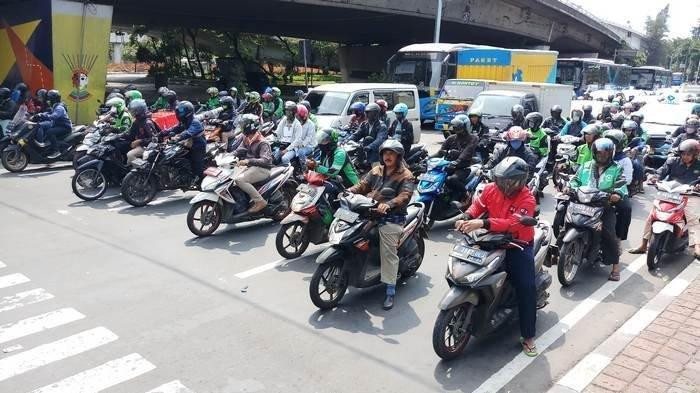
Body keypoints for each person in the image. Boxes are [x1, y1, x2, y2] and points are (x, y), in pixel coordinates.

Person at [455, 156, 539, 356]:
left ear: (520, 181)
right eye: (501, 179)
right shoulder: (491, 188)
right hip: (490, 239)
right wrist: (467, 216)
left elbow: (513, 223)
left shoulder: (527, 198)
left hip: (517, 244)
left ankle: (528, 336)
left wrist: (482, 223)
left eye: (509, 181)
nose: (504, 184)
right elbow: (478, 206)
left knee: (526, 287)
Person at [347, 139, 415, 310]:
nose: (388, 156)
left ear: (398, 156)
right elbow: (363, 185)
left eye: (391, 153)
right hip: (369, 212)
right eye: (385, 153)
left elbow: (405, 196)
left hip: (391, 217)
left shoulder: (406, 175)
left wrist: (389, 204)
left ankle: (390, 290)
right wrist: (350, 191)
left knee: (388, 252)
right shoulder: (376, 169)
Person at [567, 138, 627, 281]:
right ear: (594, 153)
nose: (602, 156)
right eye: (599, 153)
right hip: (582, 201)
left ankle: (615, 267)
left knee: (608, 232)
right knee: (564, 217)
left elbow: (621, 184)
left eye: (605, 153)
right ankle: (560, 251)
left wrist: (617, 194)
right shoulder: (586, 165)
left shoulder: (616, 168)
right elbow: (575, 180)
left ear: (611, 154)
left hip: (603, 205)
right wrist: (570, 187)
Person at [629, 139, 700, 257]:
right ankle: (643, 245)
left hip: (691, 195)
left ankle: (697, 246)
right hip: (670, 193)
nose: (685, 156)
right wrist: (655, 177)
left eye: (689, 154)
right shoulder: (672, 161)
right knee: (652, 215)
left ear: (695, 155)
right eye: (683, 154)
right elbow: (661, 171)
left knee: (692, 218)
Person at [234, 113, 274, 213]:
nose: (241, 127)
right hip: (249, 167)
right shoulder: (246, 138)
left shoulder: (263, 142)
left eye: (243, 125)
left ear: (250, 126)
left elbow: (265, 160)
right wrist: (228, 156)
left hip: (262, 169)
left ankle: (260, 201)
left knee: (240, 180)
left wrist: (248, 161)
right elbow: (240, 150)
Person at [162, 101, 206, 187]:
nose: (179, 113)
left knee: (196, 162)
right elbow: (174, 129)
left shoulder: (195, 121)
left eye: (181, 112)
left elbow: (189, 132)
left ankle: (197, 178)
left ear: (188, 112)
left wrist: (178, 137)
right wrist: (162, 133)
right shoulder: (184, 122)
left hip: (197, 145)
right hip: (187, 144)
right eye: (178, 111)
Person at [433, 117, 478, 198]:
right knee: (434, 178)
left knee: (451, 179)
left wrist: (458, 161)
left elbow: (467, 152)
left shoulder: (473, 138)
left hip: (463, 168)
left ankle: (466, 194)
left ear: (465, 126)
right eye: (454, 127)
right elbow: (440, 152)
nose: (455, 129)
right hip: (448, 166)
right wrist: (428, 158)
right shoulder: (451, 138)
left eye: (458, 127)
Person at [34, 90, 73, 159]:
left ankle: (56, 151)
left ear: (53, 99)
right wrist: (40, 114)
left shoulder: (59, 108)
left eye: (49, 99)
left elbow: (54, 116)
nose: (48, 101)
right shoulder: (55, 106)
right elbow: (49, 113)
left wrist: (43, 116)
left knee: (50, 132)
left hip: (65, 127)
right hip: (58, 125)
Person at [351, 103, 388, 167]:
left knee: (376, 170)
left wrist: (370, 146)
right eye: (366, 112)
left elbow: (380, 140)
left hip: (377, 152)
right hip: (365, 150)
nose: (367, 115)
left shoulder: (382, 126)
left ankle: (378, 175)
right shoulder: (364, 124)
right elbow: (357, 134)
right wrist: (347, 140)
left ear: (376, 114)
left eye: (369, 112)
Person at [124, 99, 158, 164]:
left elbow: (154, 139)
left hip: (148, 146)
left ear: (137, 111)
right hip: (139, 144)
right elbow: (130, 134)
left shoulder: (147, 123)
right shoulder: (137, 121)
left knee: (130, 155)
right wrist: (117, 135)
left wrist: (140, 141)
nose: (131, 112)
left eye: (133, 111)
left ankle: (143, 169)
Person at [285, 104, 316, 169]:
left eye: (299, 117)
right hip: (296, 144)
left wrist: (302, 145)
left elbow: (308, 137)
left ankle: (304, 169)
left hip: (308, 145)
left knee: (301, 152)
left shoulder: (311, 124)